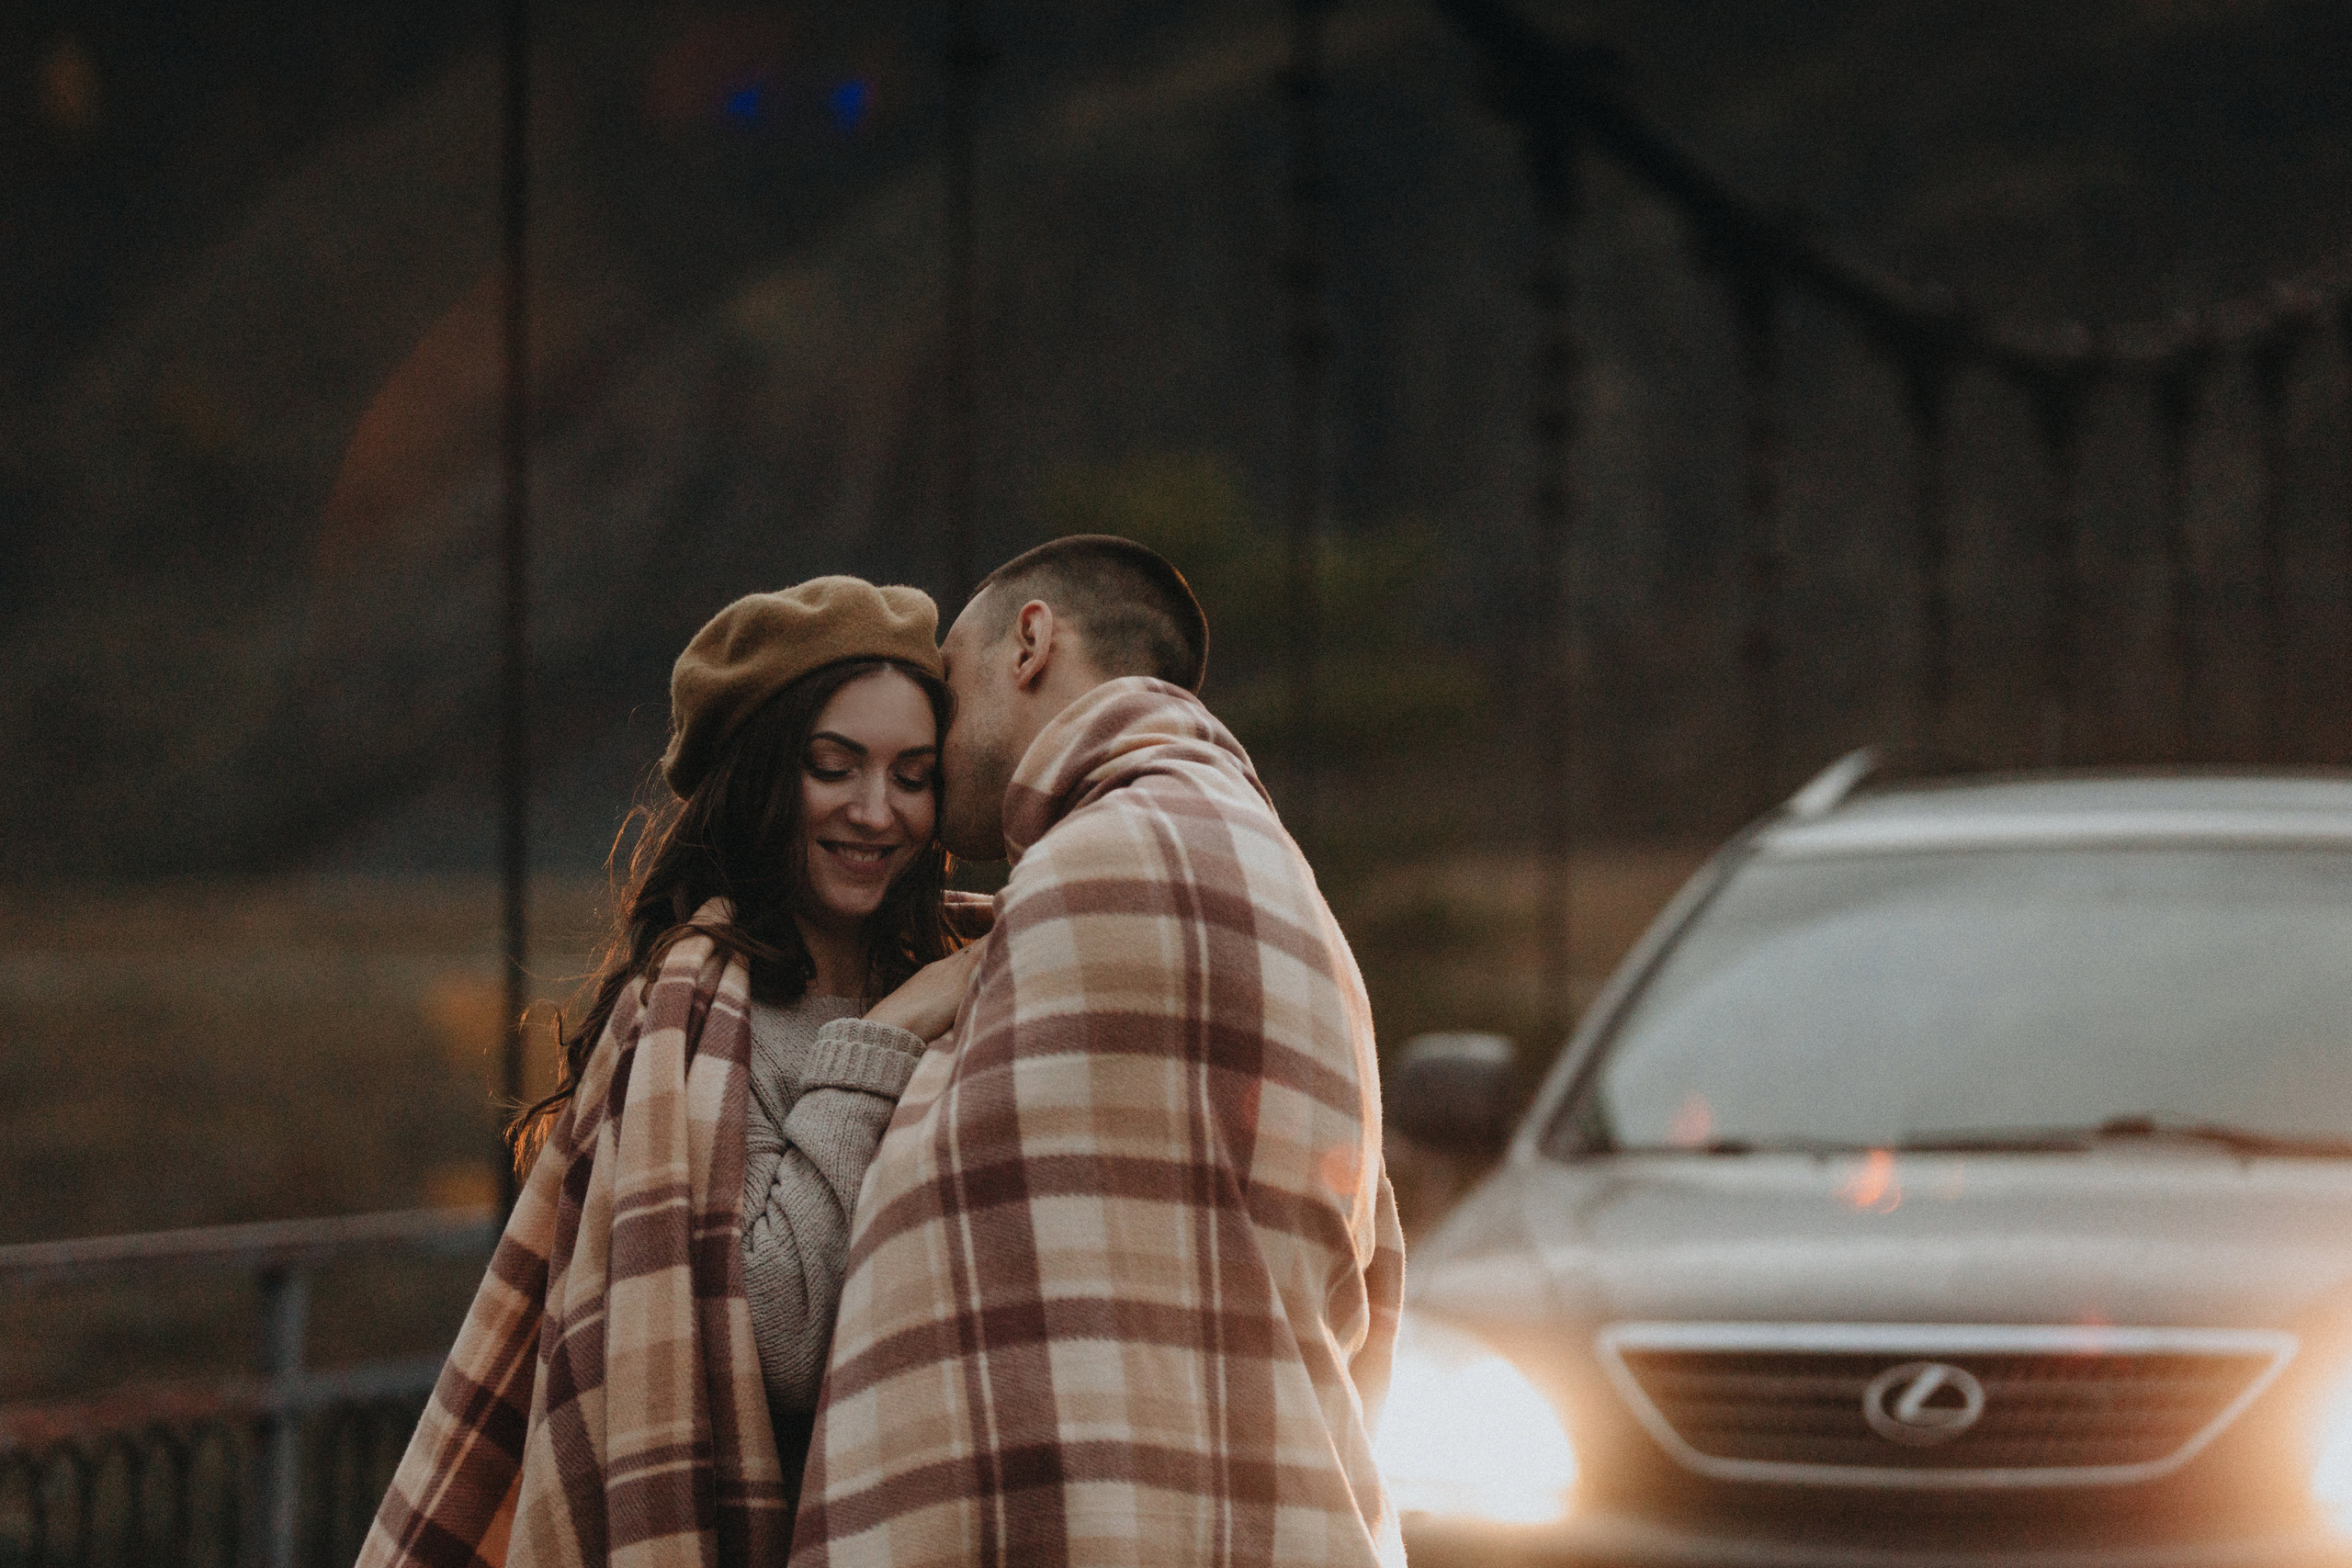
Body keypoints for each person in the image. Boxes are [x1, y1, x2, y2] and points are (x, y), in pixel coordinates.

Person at [789, 536, 1408, 1568]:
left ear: (1030, 641)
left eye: (945, 687)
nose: (932, 752)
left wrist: (883, 1026)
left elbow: (891, 1265)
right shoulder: (1297, 904)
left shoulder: (1107, 863)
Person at [361, 576, 986, 1568]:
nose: (878, 812)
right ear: (764, 776)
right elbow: (774, 1337)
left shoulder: (977, 971)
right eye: (836, 767)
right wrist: (885, 1037)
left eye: (913, 776)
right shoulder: (692, 1022)